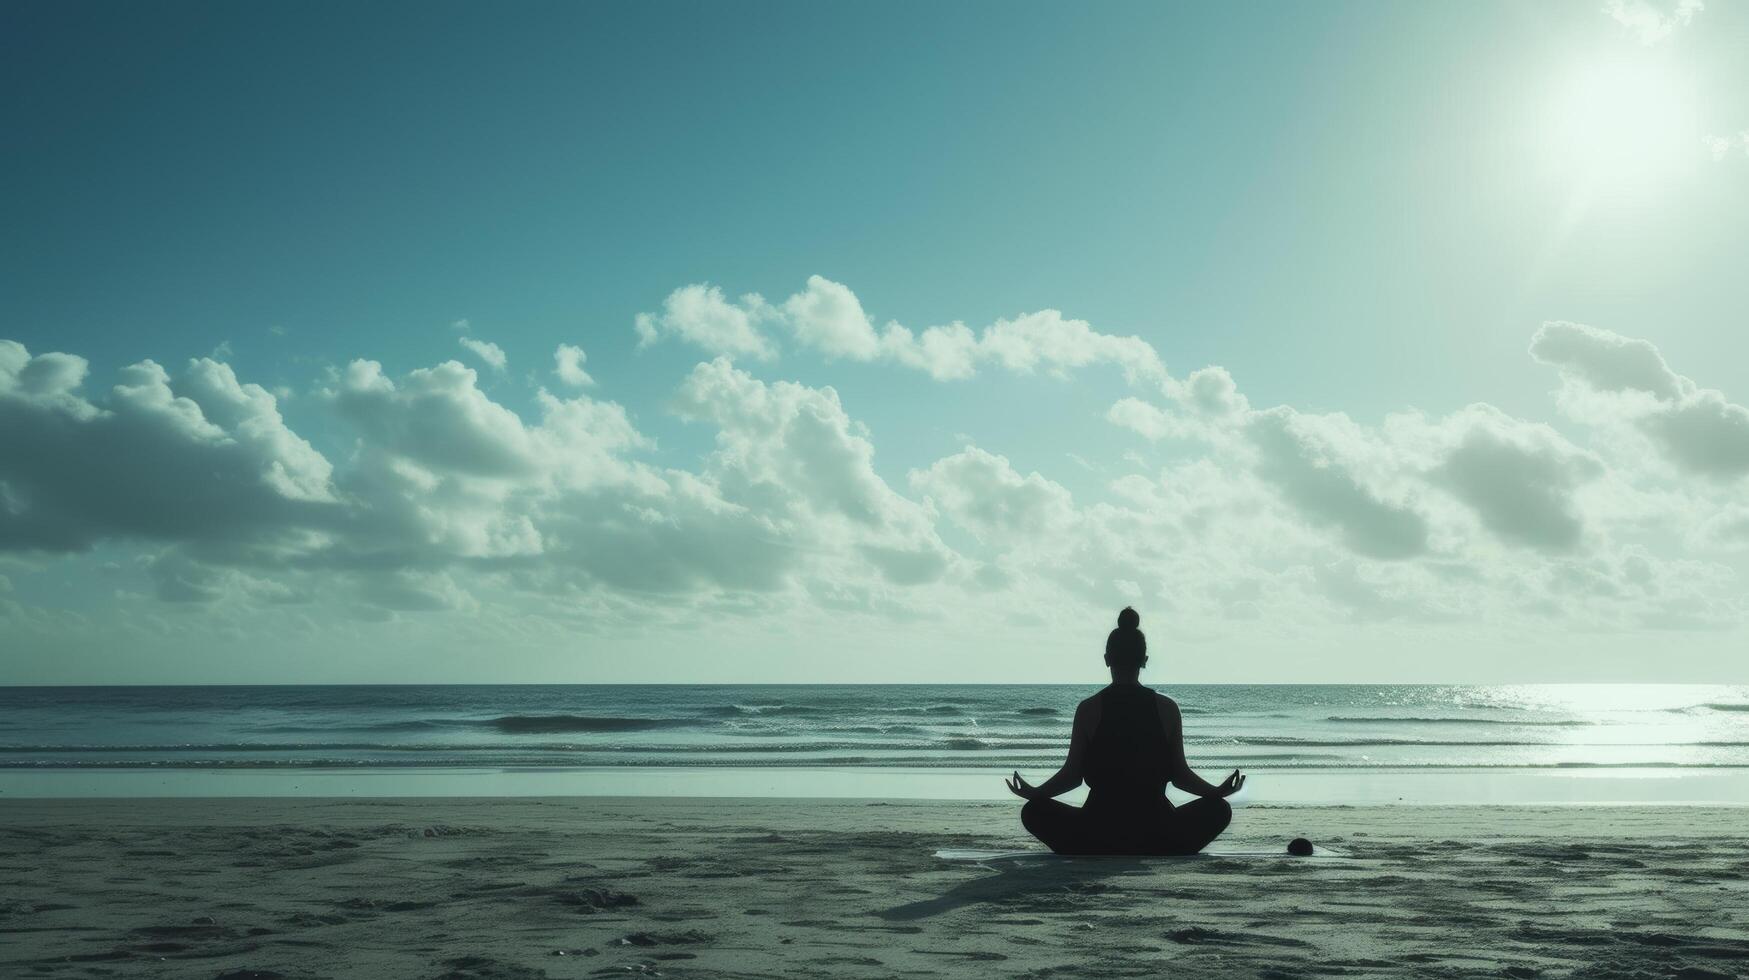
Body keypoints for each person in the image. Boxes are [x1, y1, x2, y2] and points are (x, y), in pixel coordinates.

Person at [1004, 607, 1242, 855]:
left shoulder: (1089, 709)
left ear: (1107, 659)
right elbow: (1180, 775)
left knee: (1033, 811)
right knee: (1219, 809)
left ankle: (1095, 848)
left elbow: (1072, 776)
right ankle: (1160, 847)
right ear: (1145, 661)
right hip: (1157, 828)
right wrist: (1215, 793)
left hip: (1098, 829)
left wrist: (1036, 793)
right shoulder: (1167, 709)